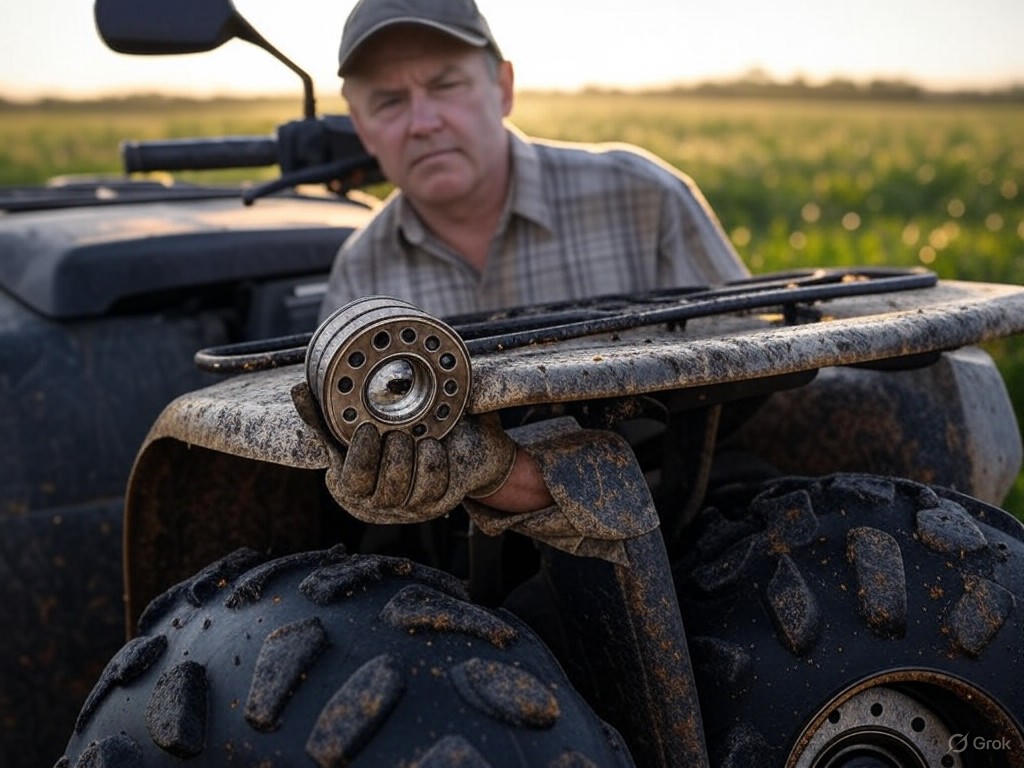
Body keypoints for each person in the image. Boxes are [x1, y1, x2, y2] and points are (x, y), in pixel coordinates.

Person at [317, 0, 748, 530]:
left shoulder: (644, 199)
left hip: (681, 512)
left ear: (503, 88)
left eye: (446, 85)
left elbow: (753, 378)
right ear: (362, 128)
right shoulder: (361, 271)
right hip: (460, 557)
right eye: (389, 101)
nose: (424, 122)